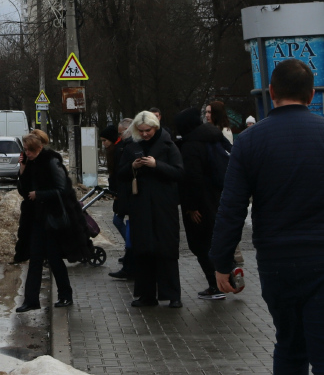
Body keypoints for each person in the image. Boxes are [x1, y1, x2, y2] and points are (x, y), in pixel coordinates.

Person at [210, 58, 324, 374]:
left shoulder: (248, 142)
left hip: (277, 262)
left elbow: (231, 208)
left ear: (270, 91)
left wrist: (221, 262)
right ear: (312, 94)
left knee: (289, 346)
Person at [14, 132, 90, 312]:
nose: (27, 153)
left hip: (52, 218)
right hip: (35, 218)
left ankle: (65, 295)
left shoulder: (51, 161)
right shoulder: (30, 163)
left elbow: (62, 189)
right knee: (35, 258)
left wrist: (39, 194)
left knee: (55, 258)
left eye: (29, 150)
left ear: (39, 148)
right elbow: (23, 191)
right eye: (25, 150)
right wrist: (22, 168)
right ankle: (31, 300)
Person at [119, 110, 184, 307]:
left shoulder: (168, 144)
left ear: (155, 127)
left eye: (148, 130)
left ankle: (172, 295)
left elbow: (179, 172)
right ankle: (147, 295)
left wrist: (157, 165)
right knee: (143, 249)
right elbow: (120, 174)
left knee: (166, 249)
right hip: (141, 206)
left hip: (164, 206)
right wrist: (133, 166)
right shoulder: (132, 146)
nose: (145, 134)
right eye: (141, 131)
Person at [173, 107, 226, 301]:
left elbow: (192, 178)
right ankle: (226, 279)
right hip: (217, 197)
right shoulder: (214, 136)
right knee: (215, 241)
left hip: (201, 203)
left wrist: (191, 206)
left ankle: (215, 285)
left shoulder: (191, 145)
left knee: (200, 245)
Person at [105, 118, 135, 280]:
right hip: (124, 194)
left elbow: (120, 172)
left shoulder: (126, 148)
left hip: (127, 195)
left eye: (120, 132)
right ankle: (129, 259)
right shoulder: (122, 148)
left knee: (125, 224)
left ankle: (130, 261)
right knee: (124, 223)